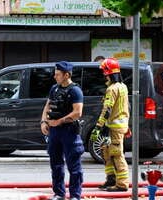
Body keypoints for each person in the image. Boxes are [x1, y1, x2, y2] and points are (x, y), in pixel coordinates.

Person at [40, 61, 84, 200]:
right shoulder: (55, 88)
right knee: (56, 163)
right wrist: (43, 122)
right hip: (54, 132)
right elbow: (47, 106)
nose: (55, 76)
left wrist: (59, 121)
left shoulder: (75, 91)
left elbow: (77, 112)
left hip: (69, 131)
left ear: (66, 75)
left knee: (74, 165)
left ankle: (75, 195)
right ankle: (59, 193)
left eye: (58, 74)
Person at [90, 57, 130, 192]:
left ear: (108, 73)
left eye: (104, 72)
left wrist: (97, 127)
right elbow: (125, 108)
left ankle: (122, 184)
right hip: (117, 126)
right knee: (105, 150)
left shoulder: (112, 89)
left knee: (116, 154)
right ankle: (111, 179)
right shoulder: (123, 87)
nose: (103, 74)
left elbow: (107, 110)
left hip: (115, 127)